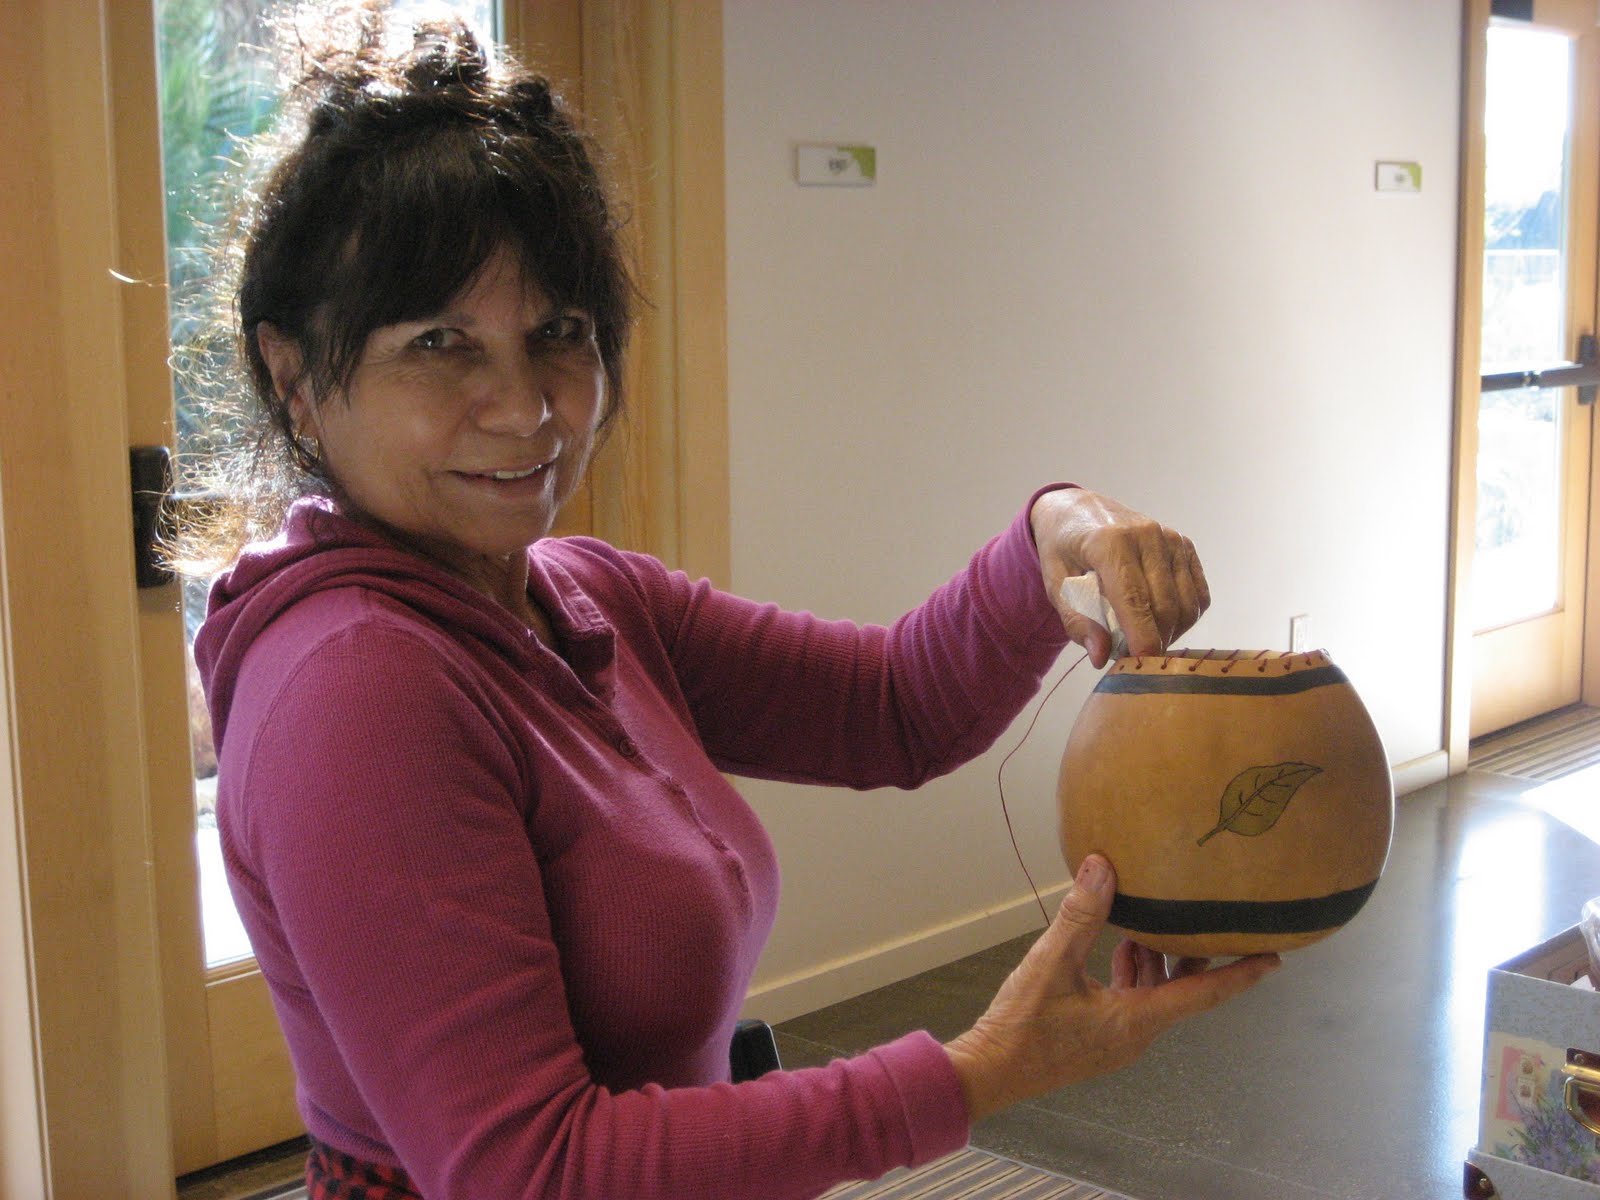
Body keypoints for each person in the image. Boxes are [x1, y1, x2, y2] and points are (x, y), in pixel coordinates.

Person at [185, 5, 1280, 1198]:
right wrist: (975, 1075)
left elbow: (890, 708)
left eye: (558, 333)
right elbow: (533, 1173)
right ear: (295, 379)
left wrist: (1049, 532)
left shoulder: (578, 595)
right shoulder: (358, 687)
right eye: (440, 342)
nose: (526, 410)